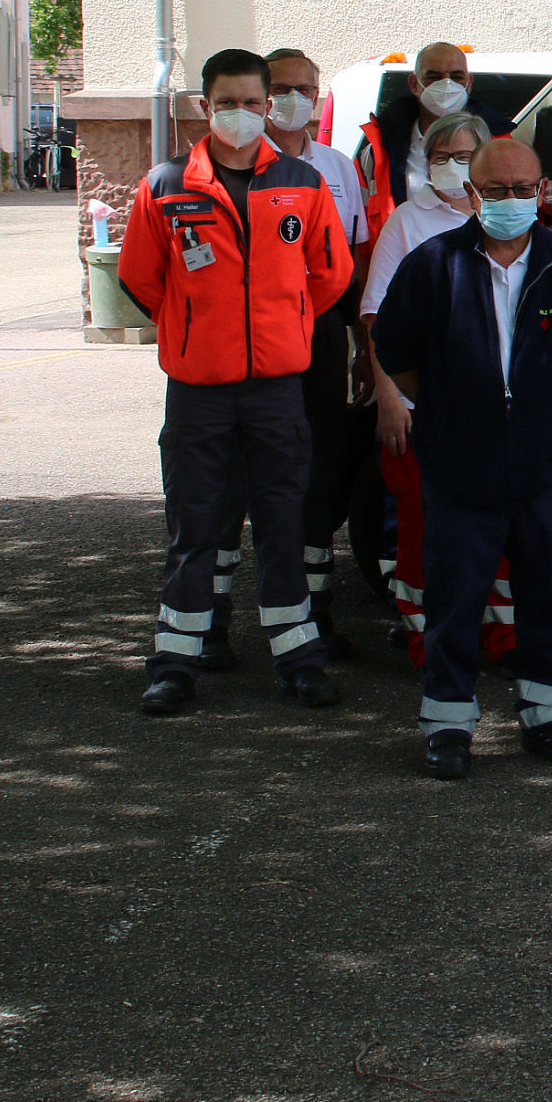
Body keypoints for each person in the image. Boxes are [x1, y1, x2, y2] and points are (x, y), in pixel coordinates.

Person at [373, 138, 552, 779]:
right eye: (496, 190)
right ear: (472, 194)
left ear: (542, 191)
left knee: (545, 590)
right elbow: (395, 348)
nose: (510, 201)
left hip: (545, 464)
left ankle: (549, 716)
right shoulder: (433, 264)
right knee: (455, 596)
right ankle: (448, 724)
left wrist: (541, 407)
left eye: (523, 189)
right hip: (460, 463)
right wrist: (458, 408)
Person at [122, 48, 353, 715]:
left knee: (284, 521)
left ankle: (299, 657)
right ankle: (176, 662)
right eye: (230, 102)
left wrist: (285, 320)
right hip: (199, 389)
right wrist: (196, 329)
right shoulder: (165, 186)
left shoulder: (302, 183)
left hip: (277, 387)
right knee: (195, 525)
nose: (246, 114)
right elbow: (141, 277)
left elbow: (330, 273)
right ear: (204, 105)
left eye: (256, 102)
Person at [205, 48, 373, 667]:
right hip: (237, 341)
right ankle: (212, 622)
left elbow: (347, 266)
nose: (290, 100)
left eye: (306, 89)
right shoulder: (207, 172)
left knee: (316, 471)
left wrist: (358, 347)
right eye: (279, 89)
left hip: (318, 337)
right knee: (224, 482)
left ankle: (314, 616)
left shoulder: (335, 168)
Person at [361, 110, 513, 665]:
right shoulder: (406, 221)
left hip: (495, 406)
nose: (452, 167)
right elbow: (377, 317)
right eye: (440, 157)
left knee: (496, 523)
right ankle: (427, 638)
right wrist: (390, 399)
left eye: (464, 155)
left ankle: (501, 639)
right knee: (422, 524)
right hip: (422, 406)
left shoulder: (513, 218)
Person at [357, 41, 512, 247]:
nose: (446, 85)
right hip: (403, 264)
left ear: (469, 83)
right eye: (434, 77)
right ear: (414, 84)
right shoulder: (379, 151)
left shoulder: (500, 146)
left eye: (457, 77)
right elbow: (358, 227)